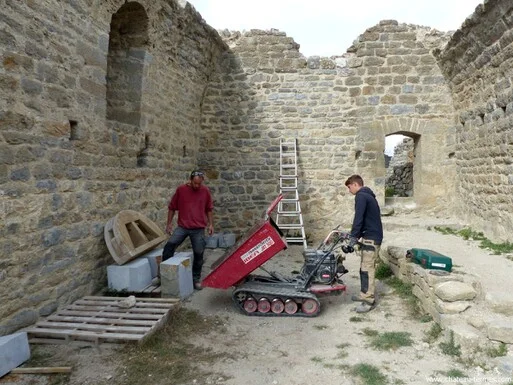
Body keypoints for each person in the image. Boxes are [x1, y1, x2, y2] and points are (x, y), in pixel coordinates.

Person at [162, 170, 214, 290]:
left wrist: (211, 225)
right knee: (169, 246)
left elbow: (209, 209)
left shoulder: (205, 191)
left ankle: (195, 279)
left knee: (199, 253)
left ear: (202, 182)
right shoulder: (181, 190)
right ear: (190, 180)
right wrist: (169, 224)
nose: (197, 186)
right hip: (183, 227)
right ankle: (163, 275)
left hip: (198, 228)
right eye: (195, 183)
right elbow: (172, 208)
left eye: (199, 184)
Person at [344, 174, 383, 313]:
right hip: (371, 235)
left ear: (355, 184)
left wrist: (353, 237)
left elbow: (358, 218)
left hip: (371, 238)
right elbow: (365, 220)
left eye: (349, 187)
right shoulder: (369, 196)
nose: (349, 190)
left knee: (367, 269)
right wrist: (354, 235)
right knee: (363, 268)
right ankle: (363, 293)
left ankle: (368, 301)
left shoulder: (361, 196)